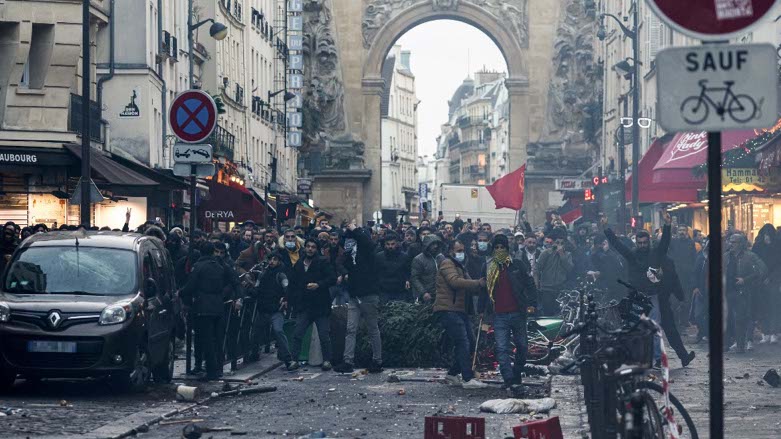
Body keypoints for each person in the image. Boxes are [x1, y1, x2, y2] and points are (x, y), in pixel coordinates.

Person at [604, 213, 695, 367]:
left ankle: (668, 357)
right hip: (638, 297)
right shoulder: (633, 255)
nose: (642, 245)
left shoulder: (657, 255)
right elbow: (618, 245)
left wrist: (667, 226)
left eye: (644, 242)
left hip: (655, 297)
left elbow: (665, 244)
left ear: (648, 242)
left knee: (663, 328)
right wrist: (606, 229)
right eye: (639, 243)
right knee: (639, 329)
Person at [478, 234, 537, 388]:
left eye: (502, 247)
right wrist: (481, 311)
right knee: (502, 348)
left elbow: (530, 284)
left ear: (507, 248)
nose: (499, 250)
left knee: (523, 347)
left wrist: (532, 303)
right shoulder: (488, 267)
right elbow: (484, 291)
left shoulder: (517, 264)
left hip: (518, 312)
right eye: (496, 247)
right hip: (499, 315)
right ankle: (508, 378)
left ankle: (516, 373)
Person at [433, 239, 488, 389]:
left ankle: (452, 373)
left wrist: (482, 285)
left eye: (463, 250)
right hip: (448, 309)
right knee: (463, 342)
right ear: (451, 251)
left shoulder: (460, 266)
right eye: (458, 250)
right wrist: (478, 283)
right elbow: (455, 282)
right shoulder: (447, 264)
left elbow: (471, 285)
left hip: (459, 310)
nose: (461, 253)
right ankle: (467, 378)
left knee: (468, 343)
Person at [180, 241, 238, 381]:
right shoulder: (220, 266)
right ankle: (218, 368)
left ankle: (211, 370)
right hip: (218, 305)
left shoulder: (199, 266)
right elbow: (233, 280)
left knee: (206, 340)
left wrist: (180, 293)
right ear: (212, 252)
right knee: (217, 339)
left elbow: (190, 286)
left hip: (202, 307)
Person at [335, 223, 383, 373]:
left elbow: (368, 244)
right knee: (351, 329)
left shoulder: (368, 252)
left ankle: (377, 360)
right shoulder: (350, 255)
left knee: (372, 328)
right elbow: (340, 262)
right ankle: (348, 361)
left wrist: (355, 229)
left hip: (368, 294)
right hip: (355, 295)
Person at [288, 238, 337, 371]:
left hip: (320, 305)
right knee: (298, 333)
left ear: (317, 249)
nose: (310, 249)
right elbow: (293, 283)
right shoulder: (299, 264)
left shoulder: (322, 262)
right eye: (308, 246)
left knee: (323, 335)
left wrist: (319, 285)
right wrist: (292, 300)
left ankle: (327, 360)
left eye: (313, 247)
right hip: (304, 305)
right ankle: (294, 359)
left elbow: (332, 278)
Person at [249, 252, 294, 368]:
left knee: (278, 331)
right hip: (263, 309)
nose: (271, 262)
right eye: (270, 259)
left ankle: (288, 359)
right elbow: (257, 289)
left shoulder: (281, 275)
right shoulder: (263, 274)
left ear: (279, 261)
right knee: (255, 333)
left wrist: (285, 299)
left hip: (275, 310)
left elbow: (287, 289)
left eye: (274, 259)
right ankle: (254, 354)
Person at [724, 233, 767, 353]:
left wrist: (746, 280)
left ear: (741, 244)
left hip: (744, 291)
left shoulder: (750, 256)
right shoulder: (726, 256)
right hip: (728, 290)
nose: (731, 244)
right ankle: (729, 343)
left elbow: (762, 269)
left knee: (741, 317)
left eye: (734, 242)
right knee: (728, 318)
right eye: (730, 241)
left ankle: (740, 344)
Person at [749, 224, 780, 344]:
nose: (767, 237)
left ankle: (773, 332)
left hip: (773, 281)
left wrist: (771, 277)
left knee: (773, 306)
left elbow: (779, 265)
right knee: (763, 307)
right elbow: (754, 263)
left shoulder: (777, 246)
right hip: (761, 281)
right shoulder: (758, 246)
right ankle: (765, 332)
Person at [536, 228, 573, 316]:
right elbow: (537, 269)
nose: (559, 245)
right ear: (553, 243)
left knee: (559, 313)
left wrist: (561, 255)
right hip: (547, 289)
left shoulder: (568, 255)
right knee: (548, 313)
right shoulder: (546, 253)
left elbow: (569, 268)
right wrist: (536, 283)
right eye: (557, 242)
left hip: (560, 289)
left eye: (562, 243)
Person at [375, 232, 411, 302]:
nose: (390, 246)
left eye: (392, 244)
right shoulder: (379, 257)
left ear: (397, 244)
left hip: (400, 290)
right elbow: (376, 272)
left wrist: (407, 280)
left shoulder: (404, 257)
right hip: (384, 290)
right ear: (385, 245)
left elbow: (408, 271)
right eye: (388, 244)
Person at [588, 235, 624, 302]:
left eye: (602, 244)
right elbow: (590, 268)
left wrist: (608, 251)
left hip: (614, 287)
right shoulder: (594, 255)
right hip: (599, 286)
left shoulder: (613, 253)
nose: (601, 247)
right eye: (598, 246)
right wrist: (593, 273)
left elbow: (616, 268)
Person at [410, 234, 444, 303]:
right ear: (427, 245)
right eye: (432, 244)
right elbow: (415, 278)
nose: (435, 246)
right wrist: (423, 292)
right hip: (425, 295)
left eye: (437, 244)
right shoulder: (418, 259)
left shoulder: (441, 258)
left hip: (440, 294)